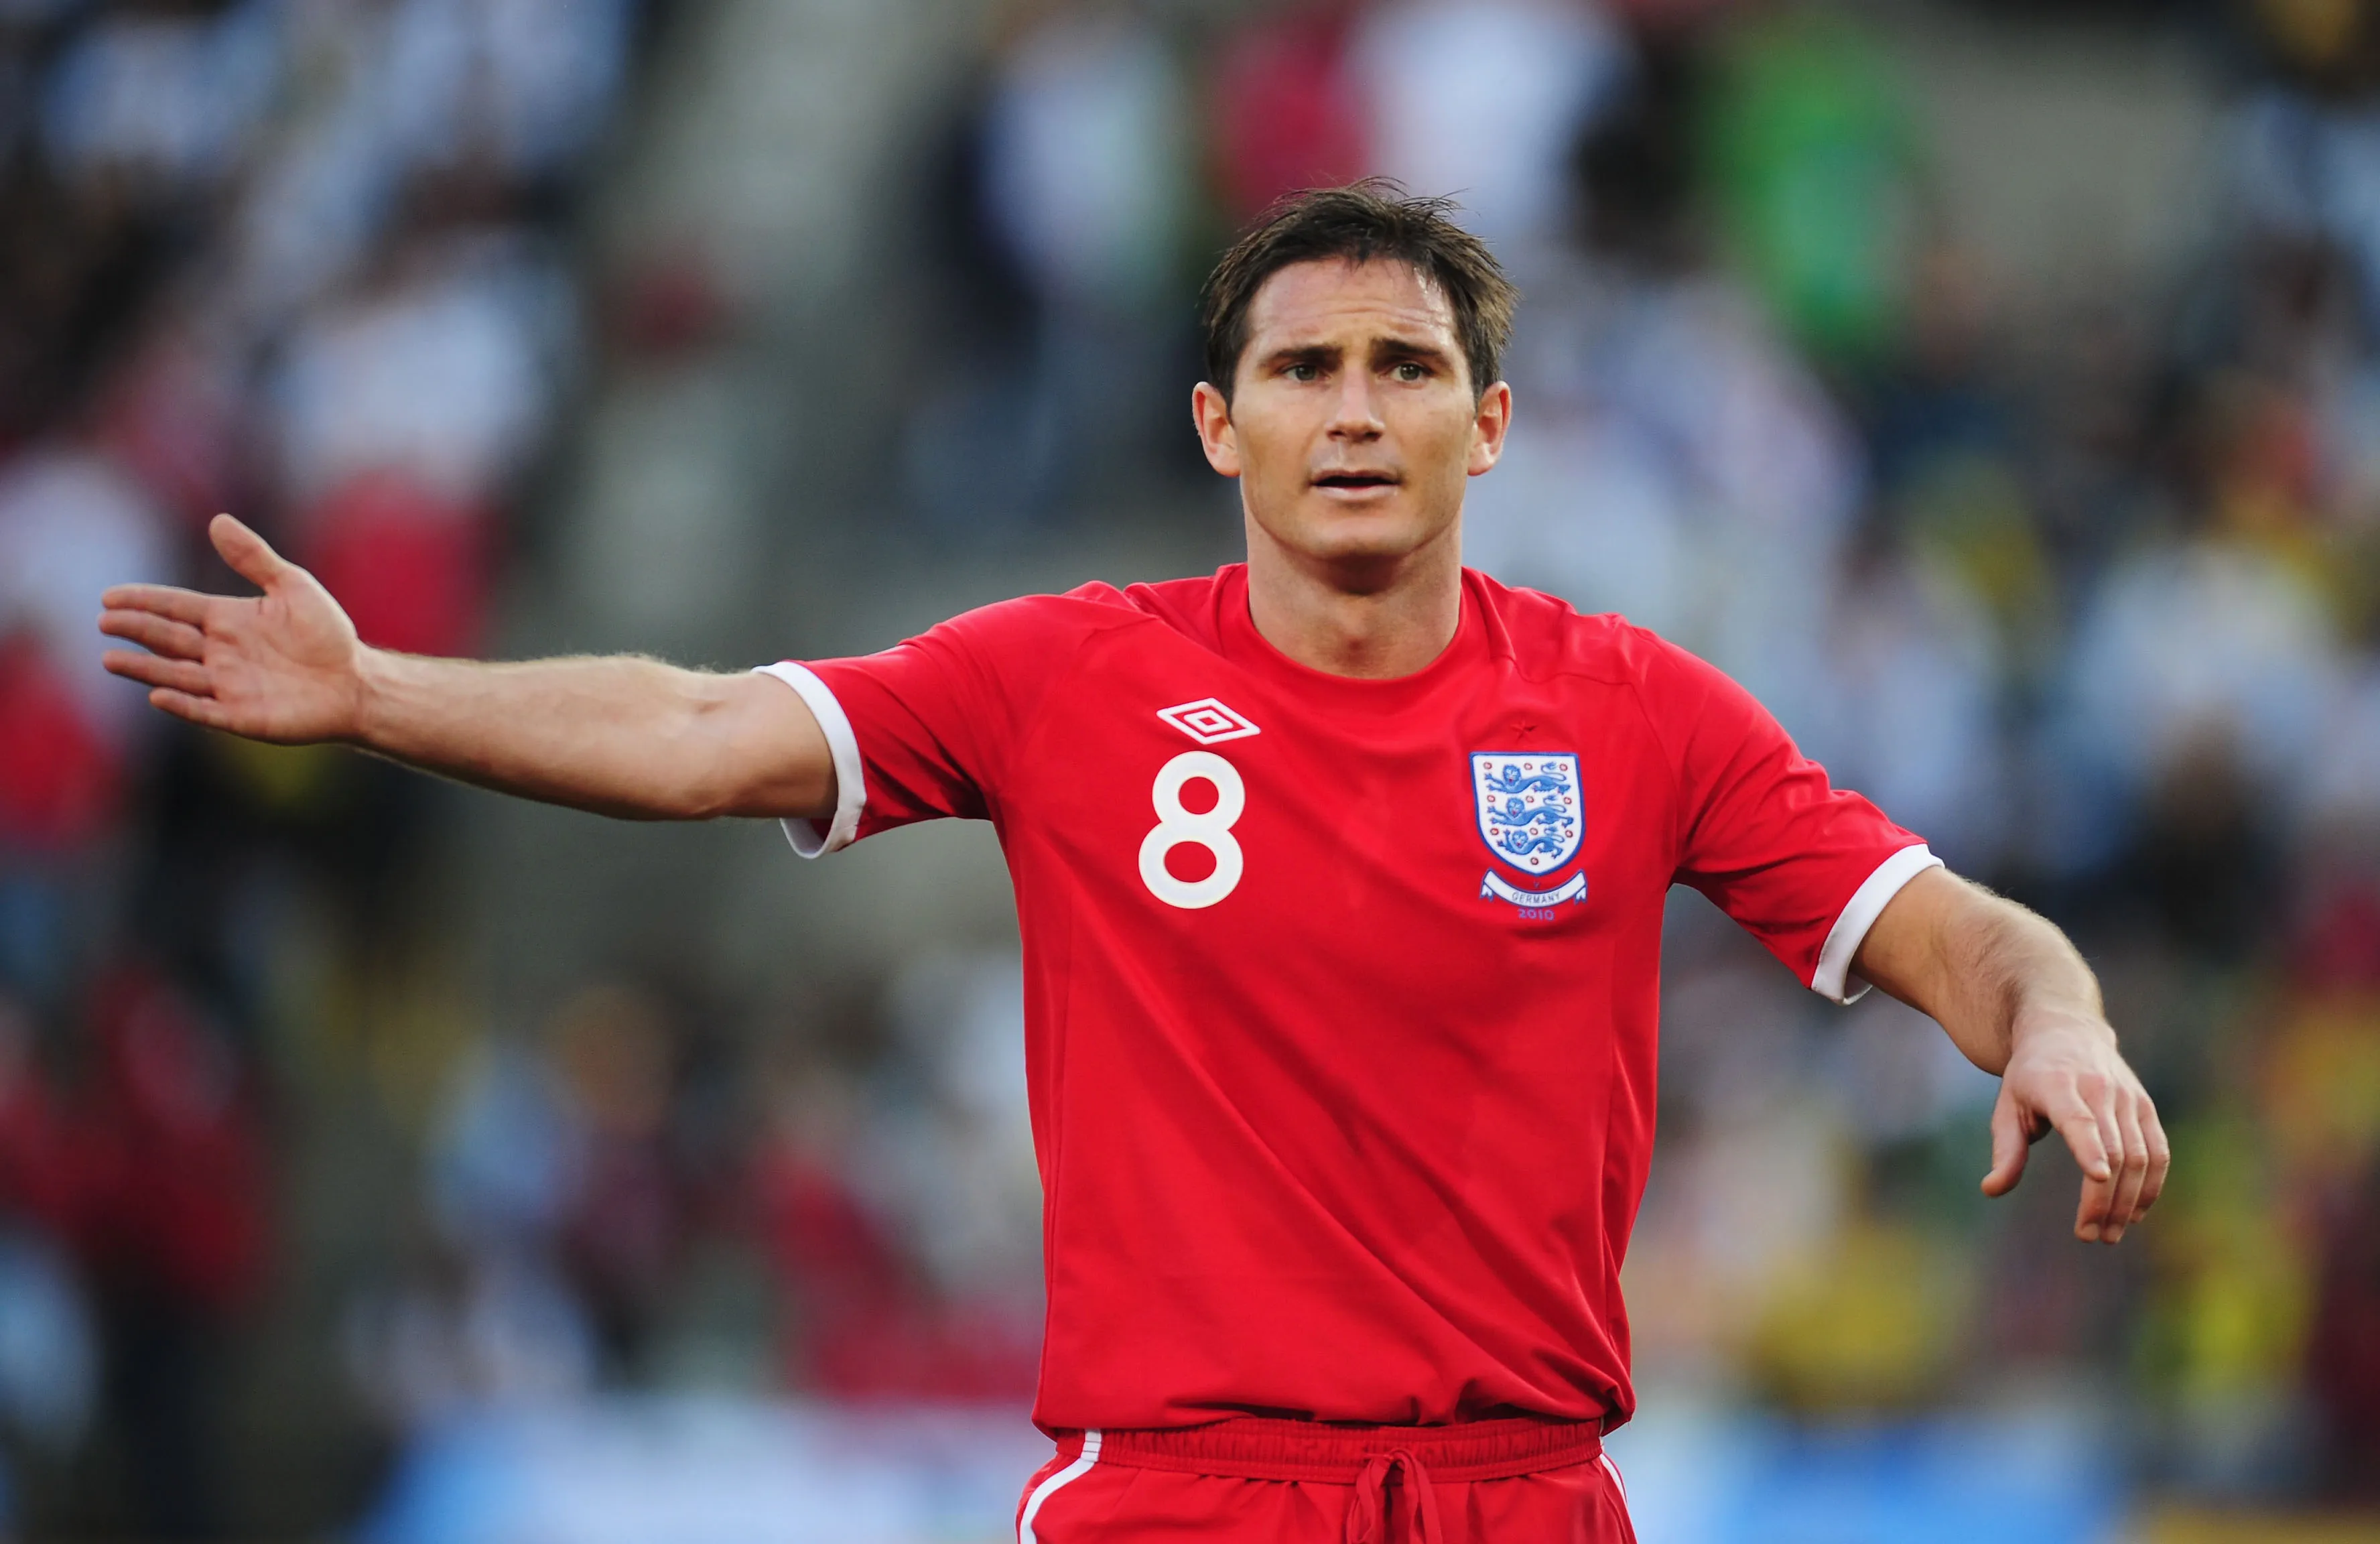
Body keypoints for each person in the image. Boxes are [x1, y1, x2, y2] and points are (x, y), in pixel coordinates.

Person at [96, 184, 2167, 1544]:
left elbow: (1951, 927)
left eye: (1404, 368)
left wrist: (2058, 1020)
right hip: (1180, 1496)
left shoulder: (1633, 713)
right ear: (1218, 424)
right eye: (1304, 369)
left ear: (1493, 424)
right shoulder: (1072, 679)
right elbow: (707, 727)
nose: (1354, 410)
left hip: (1523, 1497)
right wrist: (381, 694)